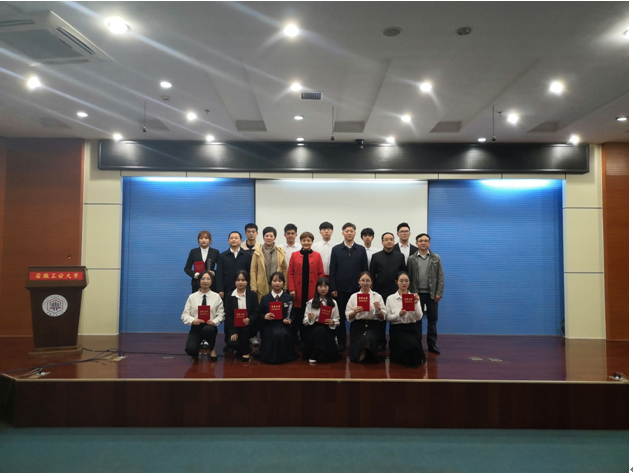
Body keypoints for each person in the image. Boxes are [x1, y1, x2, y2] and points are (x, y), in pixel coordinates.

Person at [329, 222, 368, 352]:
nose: (349, 233)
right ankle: (341, 342)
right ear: (343, 233)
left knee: (357, 316)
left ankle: (356, 342)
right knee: (340, 316)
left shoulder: (361, 249)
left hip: (357, 290)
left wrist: (364, 288)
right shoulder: (336, 249)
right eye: (347, 231)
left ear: (355, 233)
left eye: (351, 231)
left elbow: (365, 271)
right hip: (340, 290)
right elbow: (332, 270)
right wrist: (333, 288)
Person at [369, 232, 407, 351]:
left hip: (396, 293)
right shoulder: (376, 256)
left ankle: (395, 342)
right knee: (380, 318)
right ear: (382, 242)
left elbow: (404, 273)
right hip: (379, 292)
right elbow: (371, 275)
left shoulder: (400, 256)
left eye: (391, 239)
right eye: (386, 239)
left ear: (394, 241)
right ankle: (380, 342)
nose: (389, 241)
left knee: (395, 317)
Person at [407, 233, 444, 355]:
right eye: (421, 241)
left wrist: (439, 293)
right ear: (416, 243)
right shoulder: (411, 259)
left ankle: (432, 344)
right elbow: (409, 277)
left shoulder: (436, 258)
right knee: (416, 319)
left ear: (429, 243)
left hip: (432, 295)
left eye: (426, 241)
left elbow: (440, 277)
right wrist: (410, 294)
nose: (423, 243)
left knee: (432, 320)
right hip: (416, 295)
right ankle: (417, 343)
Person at [287, 231, 324, 344]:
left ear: (312, 242)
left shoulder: (317, 255)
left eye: (309, 240)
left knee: (310, 315)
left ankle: (308, 340)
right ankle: (296, 340)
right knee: (298, 316)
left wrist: (319, 290)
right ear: (301, 242)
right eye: (304, 240)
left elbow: (321, 274)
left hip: (312, 291)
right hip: (298, 292)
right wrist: (292, 288)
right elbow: (290, 273)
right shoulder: (294, 255)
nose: (306, 242)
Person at [255, 272, 299, 364]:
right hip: (269, 325)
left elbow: (293, 314)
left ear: (283, 283)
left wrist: (290, 320)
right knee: (273, 334)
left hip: (283, 325)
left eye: (280, 281)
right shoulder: (265, 298)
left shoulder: (288, 298)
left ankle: (283, 357)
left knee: (281, 334)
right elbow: (259, 315)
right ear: (270, 282)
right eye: (274, 281)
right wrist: (265, 316)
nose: (277, 283)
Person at [181, 271, 224, 361]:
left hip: (210, 327)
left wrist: (214, 321)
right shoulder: (192, 297)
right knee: (190, 350)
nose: (205, 281)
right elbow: (185, 315)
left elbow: (221, 315)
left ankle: (212, 348)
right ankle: (197, 348)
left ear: (212, 281)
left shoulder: (216, 297)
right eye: (203, 279)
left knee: (208, 330)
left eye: (208, 279)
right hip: (196, 327)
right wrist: (193, 320)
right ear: (199, 281)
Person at [385, 271, 425, 368]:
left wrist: (416, 304)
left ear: (409, 282)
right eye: (401, 280)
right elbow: (388, 318)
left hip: (412, 329)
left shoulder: (414, 297)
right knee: (408, 344)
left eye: (406, 281)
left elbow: (418, 317)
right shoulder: (390, 298)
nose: (404, 283)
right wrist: (399, 314)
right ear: (396, 282)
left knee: (413, 346)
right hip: (397, 329)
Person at [345, 271, 386, 364]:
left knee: (367, 338)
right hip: (357, 326)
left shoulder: (377, 296)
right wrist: (354, 312)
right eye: (362, 280)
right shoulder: (354, 297)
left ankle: (366, 353)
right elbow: (348, 316)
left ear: (371, 282)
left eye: (368, 280)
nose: (365, 283)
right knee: (358, 349)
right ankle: (364, 354)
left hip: (373, 326)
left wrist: (378, 309)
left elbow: (382, 317)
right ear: (359, 282)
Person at [223, 270, 259, 362]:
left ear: (247, 281)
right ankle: (242, 350)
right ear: (235, 281)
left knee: (245, 330)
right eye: (238, 280)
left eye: (243, 280)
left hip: (249, 326)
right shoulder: (229, 296)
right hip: (235, 327)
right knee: (232, 343)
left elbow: (256, 312)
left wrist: (249, 319)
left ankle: (246, 352)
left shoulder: (252, 295)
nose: (240, 282)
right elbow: (228, 315)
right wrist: (233, 331)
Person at [302, 277, 340, 363]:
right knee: (319, 330)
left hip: (327, 330)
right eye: (320, 286)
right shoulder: (310, 303)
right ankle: (318, 354)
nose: (323, 289)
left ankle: (315, 354)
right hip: (313, 330)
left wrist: (332, 322)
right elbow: (304, 321)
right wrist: (309, 318)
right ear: (317, 288)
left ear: (329, 288)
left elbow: (337, 320)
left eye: (325, 286)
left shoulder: (333, 303)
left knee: (322, 330)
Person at [250, 226, 288, 301]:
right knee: (264, 304)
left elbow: (284, 270)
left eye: (271, 236)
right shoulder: (257, 252)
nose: (269, 238)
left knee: (277, 305)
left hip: (277, 283)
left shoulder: (280, 252)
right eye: (266, 236)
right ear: (263, 237)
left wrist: (285, 285)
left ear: (274, 238)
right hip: (262, 284)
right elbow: (253, 270)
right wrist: (253, 286)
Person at [216, 231, 253, 299]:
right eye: (231, 238)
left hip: (243, 288)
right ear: (228, 241)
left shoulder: (247, 255)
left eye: (236, 238)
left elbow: (250, 272)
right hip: (226, 289)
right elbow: (219, 274)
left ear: (241, 240)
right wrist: (220, 289)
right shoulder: (222, 256)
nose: (233, 240)